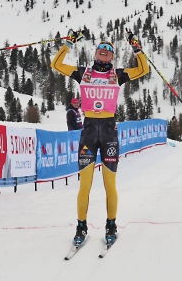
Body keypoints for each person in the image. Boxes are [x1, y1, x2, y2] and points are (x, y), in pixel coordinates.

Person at [50, 30, 149, 247]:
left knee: (109, 184)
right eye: (101, 49)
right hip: (88, 130)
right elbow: (56, 65)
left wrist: (136, 48)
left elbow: (144, 69)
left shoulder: (119, 74)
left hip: (108, 130)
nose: (104, 51)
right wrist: (67, 44)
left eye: (109, 50)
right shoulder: (82, 72)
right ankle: (81, 226)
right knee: (84, 185)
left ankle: (111, 225)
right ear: (95, 53)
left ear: (112, 57)